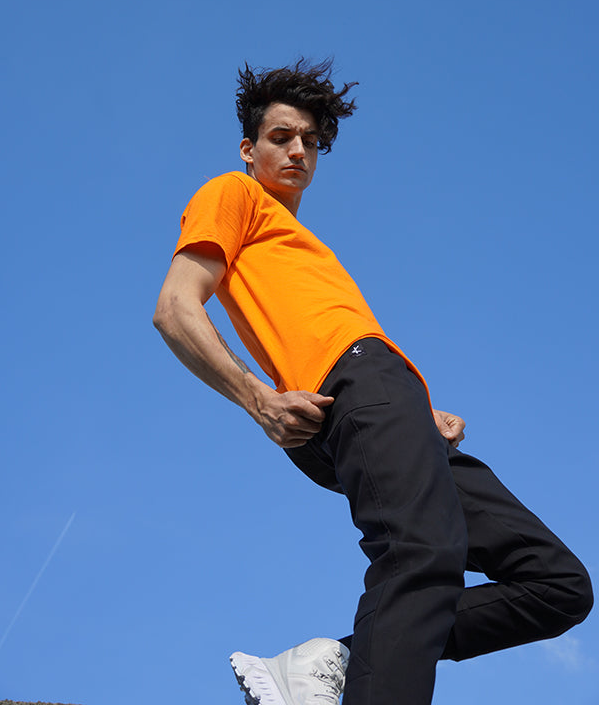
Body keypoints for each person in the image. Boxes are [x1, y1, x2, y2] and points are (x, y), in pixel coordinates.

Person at [153, 60, 593, 705]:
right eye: (281, 137)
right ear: (248, 149)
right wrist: (258, 398)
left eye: (310, 141)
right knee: (421, 555)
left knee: (556, 585)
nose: (298, 150)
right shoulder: (233, 193)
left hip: (392, 401)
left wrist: (420, 412)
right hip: (352, 386)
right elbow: (174, 308)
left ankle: (332, 661)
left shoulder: (300, 242)